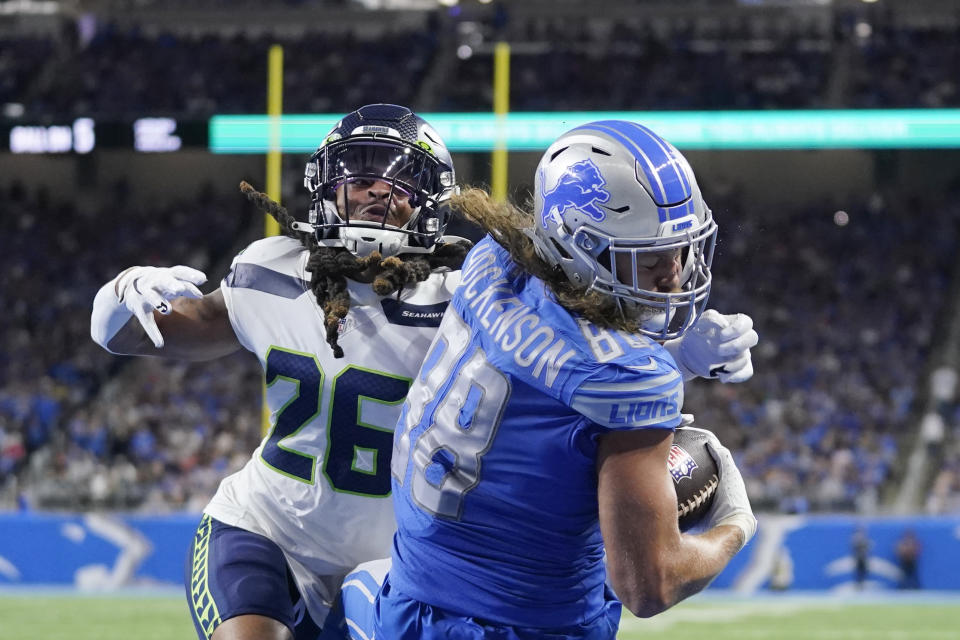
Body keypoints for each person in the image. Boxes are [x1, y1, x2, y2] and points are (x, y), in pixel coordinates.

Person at [333, 120, 758, 639]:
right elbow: (648, 585)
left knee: (359, 583)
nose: (674, 273)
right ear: (580, 250)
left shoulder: (493, 260)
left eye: (680, 250)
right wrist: (732, 527)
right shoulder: (629, 379)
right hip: (525, 627)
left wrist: (676, 354)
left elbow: (547, 376)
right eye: (649, 257)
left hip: (408, 597)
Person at [90, 104, 473, 640]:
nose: (382, 191)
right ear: (328, 187)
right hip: (266, 531)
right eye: (363, 176)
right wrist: (117, 296)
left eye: (403, 181)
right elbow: (139, 335)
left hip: (397, 564)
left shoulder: (464, 308)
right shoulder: (272, 270)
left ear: (429, 203)